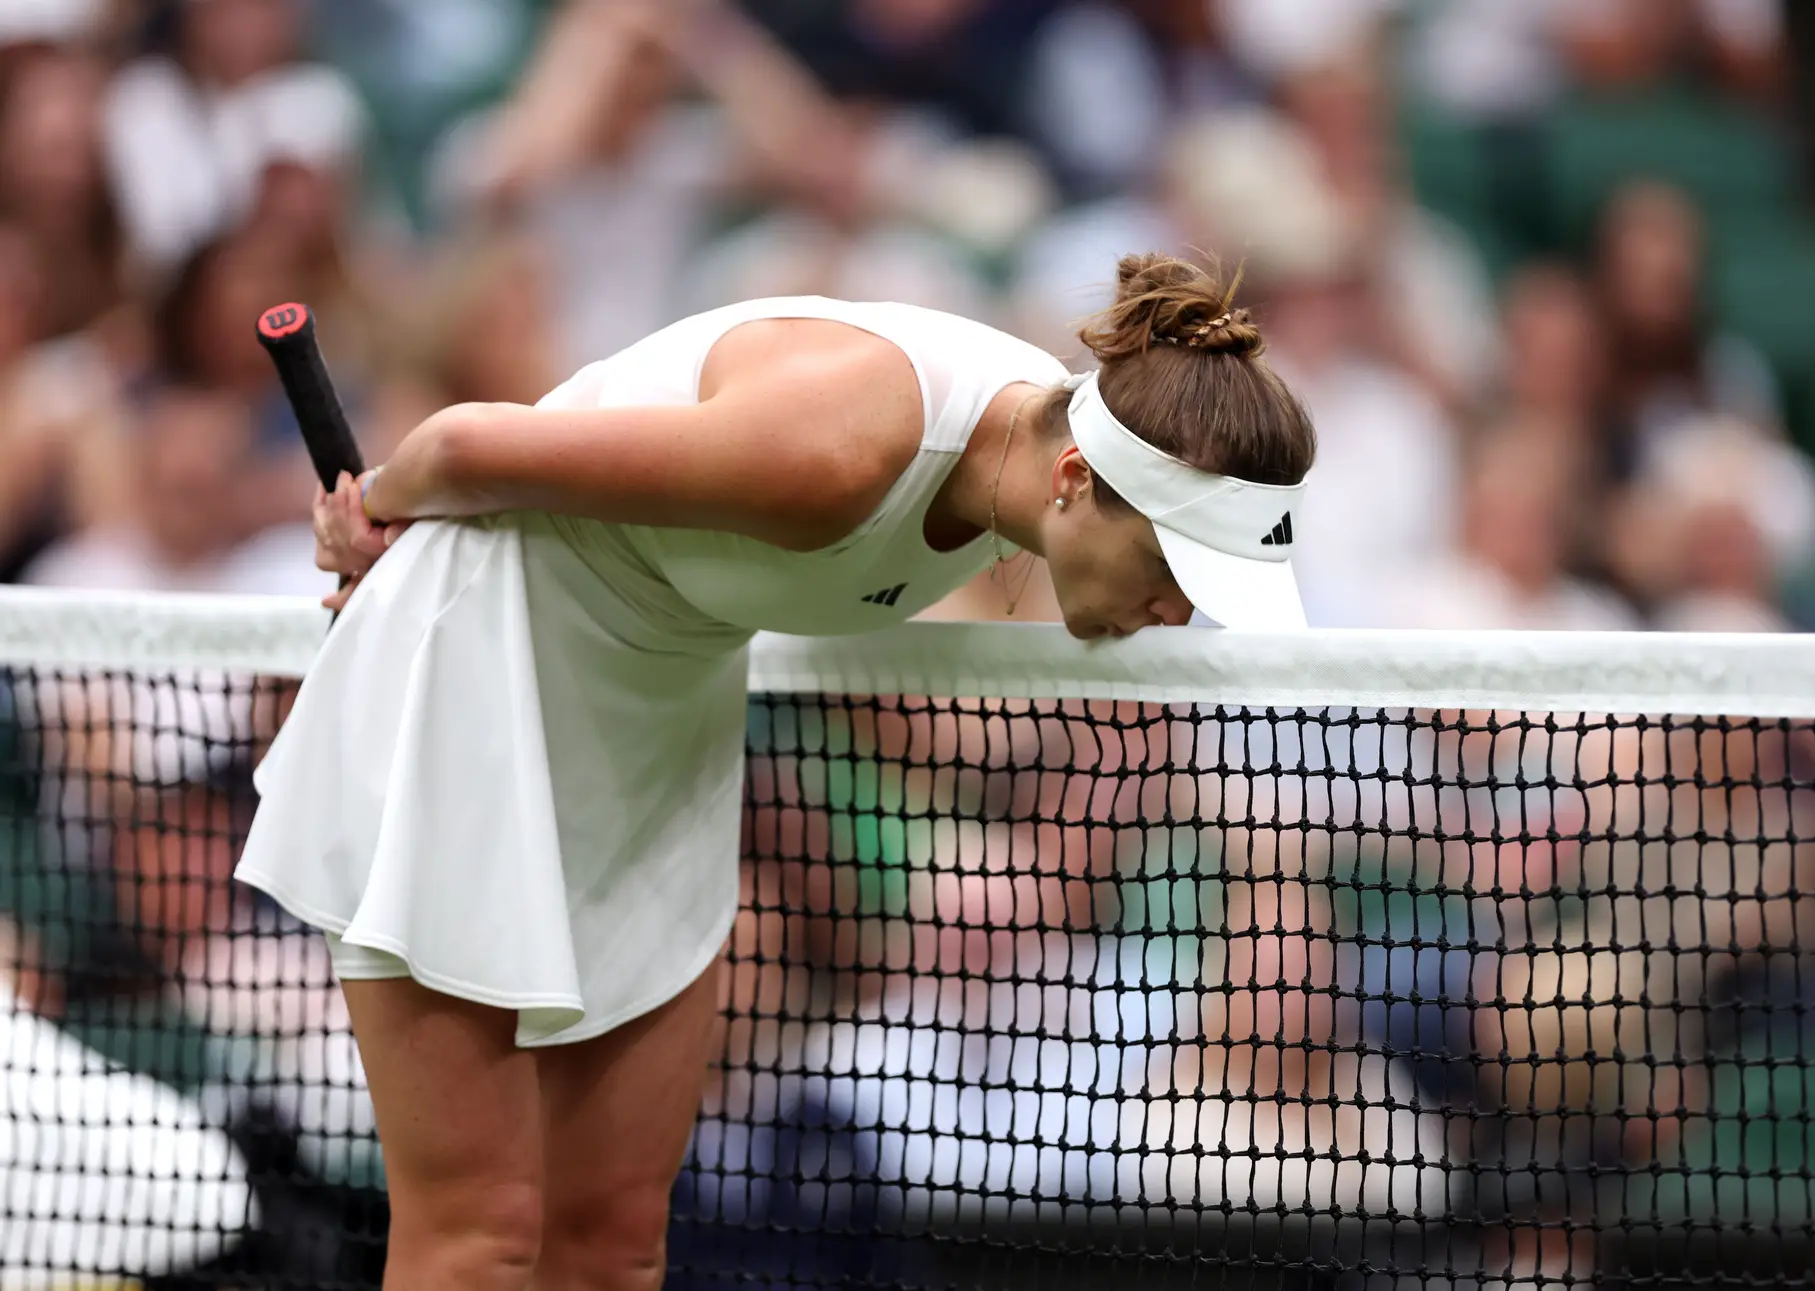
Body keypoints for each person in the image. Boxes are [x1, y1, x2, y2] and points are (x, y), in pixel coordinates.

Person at [231, 253, 1318, 1291]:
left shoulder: (1032, 464)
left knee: (611, 1242)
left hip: (658, 727)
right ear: (1078, 479)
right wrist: (371, 514)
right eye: (1175, 568)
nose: (1179, 611)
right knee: (479, 1234)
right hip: (479, 672)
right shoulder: (837, 452)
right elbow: (467, 448)